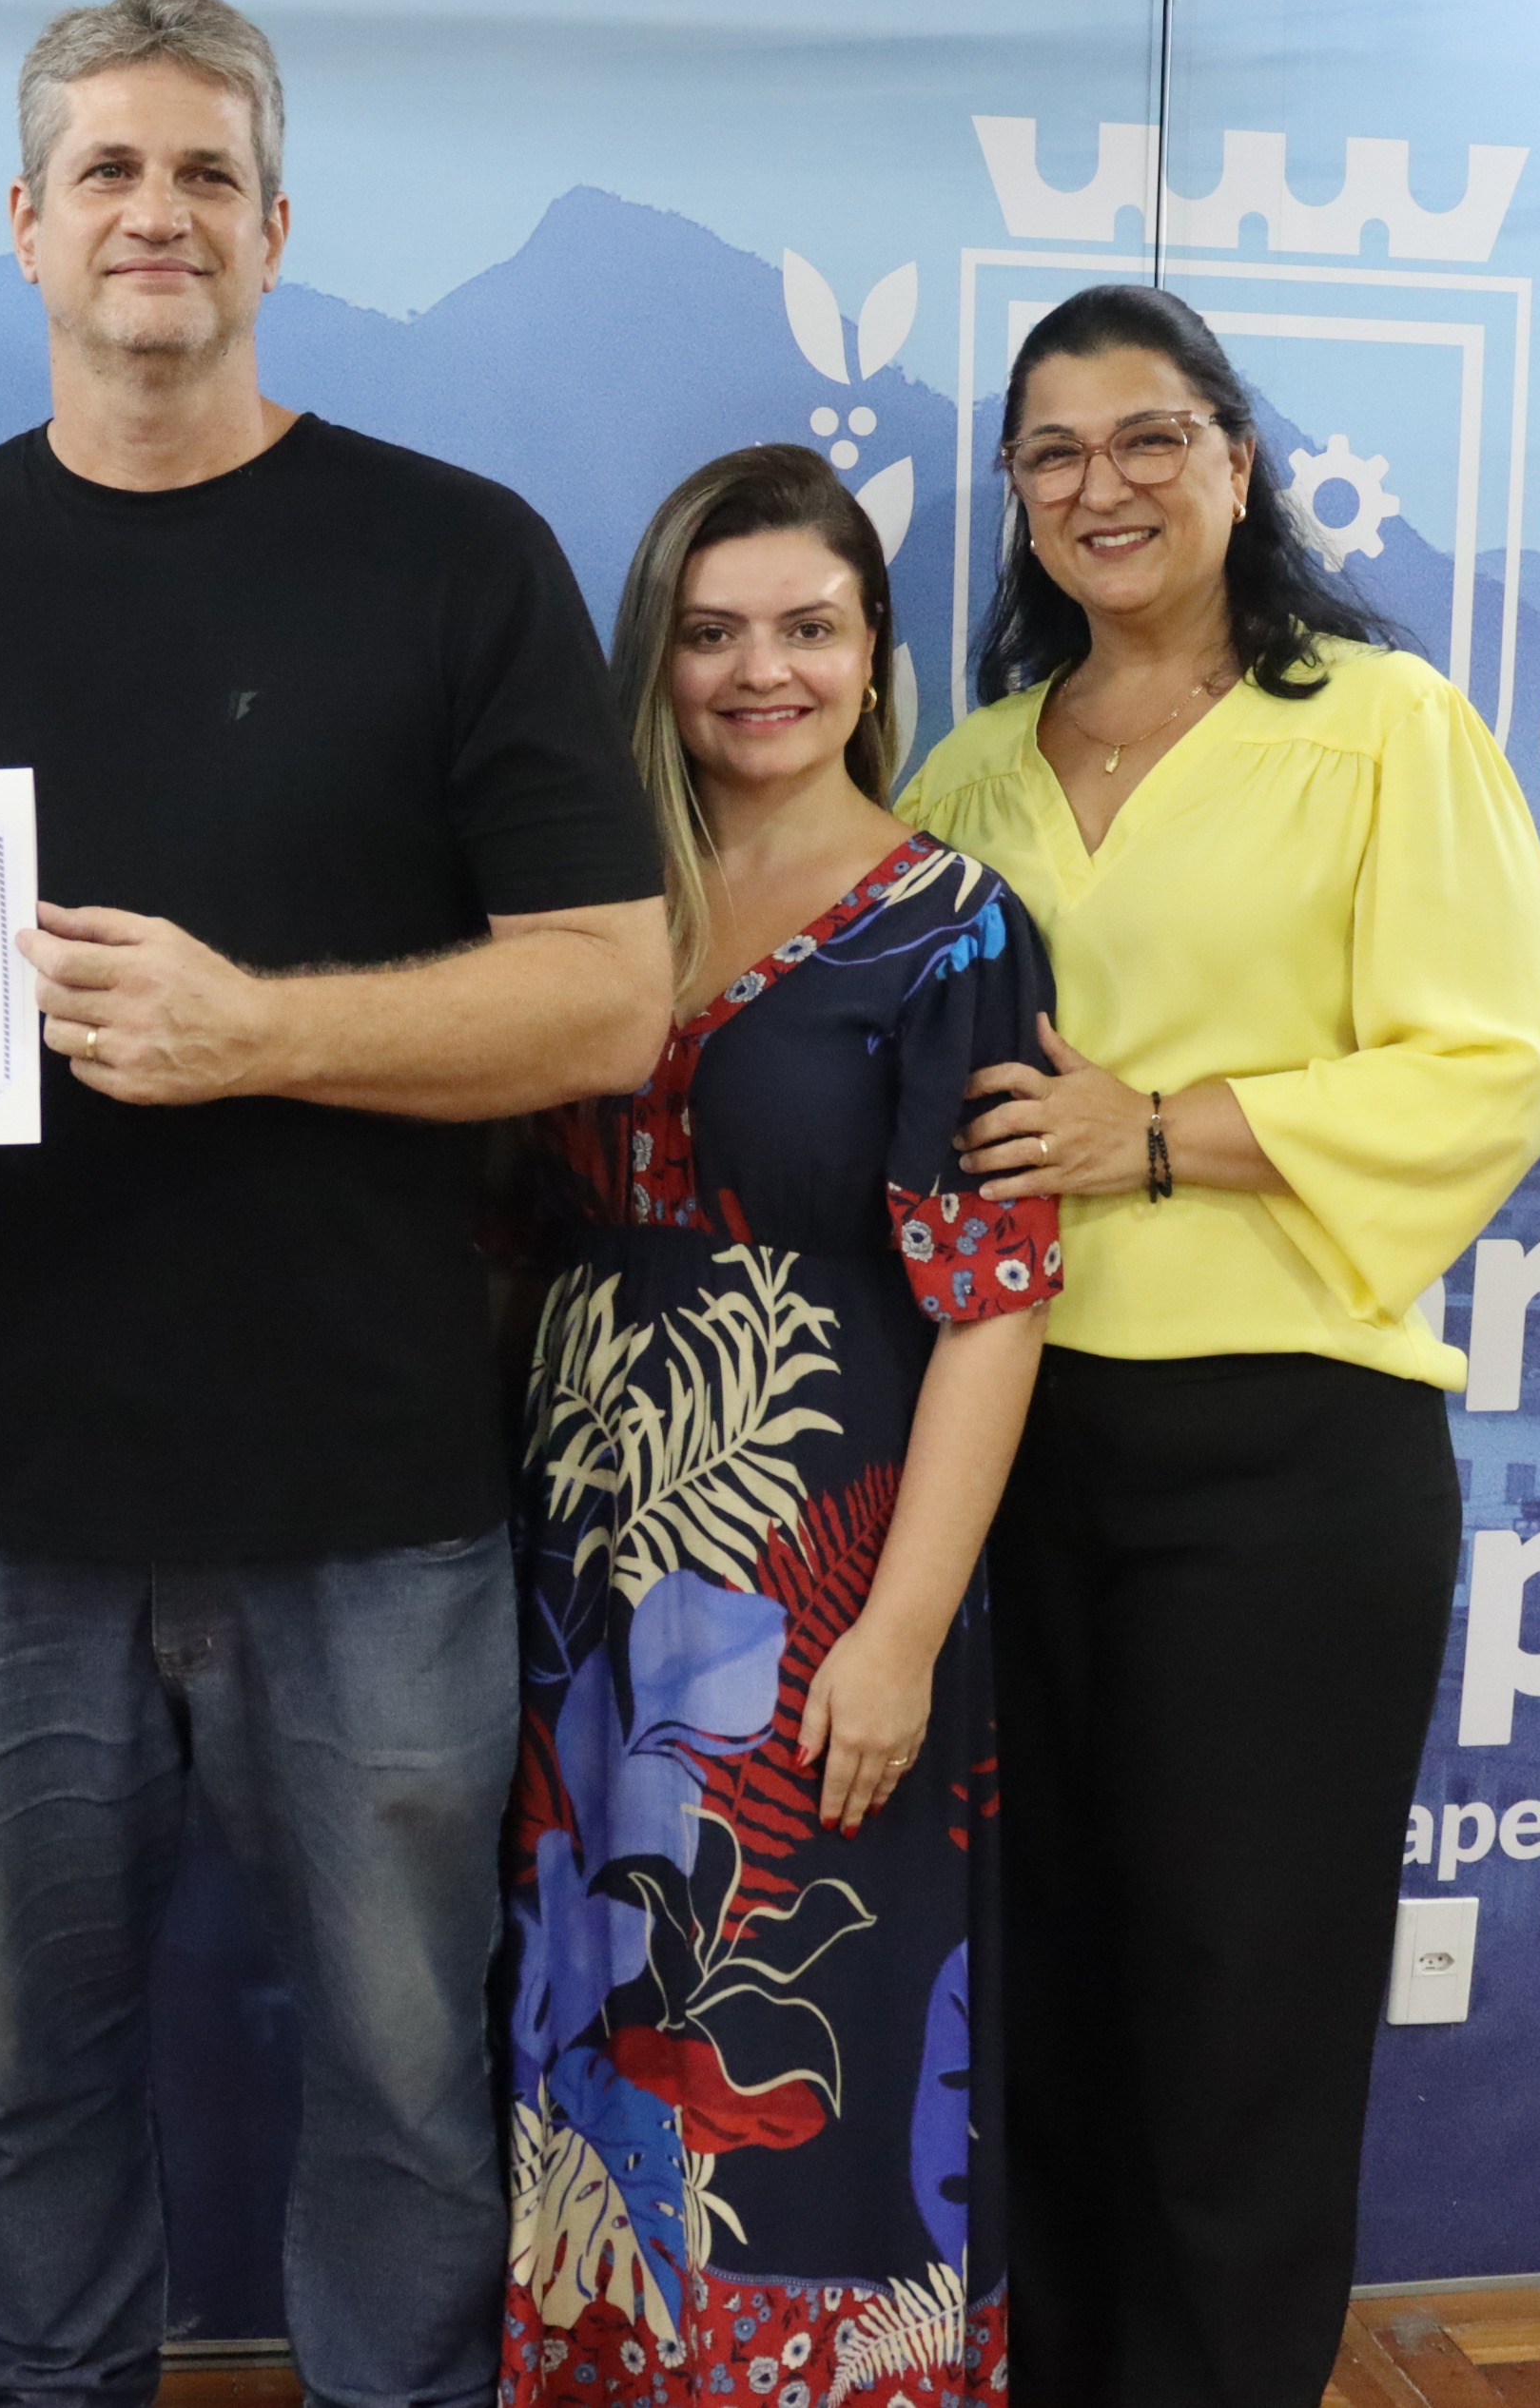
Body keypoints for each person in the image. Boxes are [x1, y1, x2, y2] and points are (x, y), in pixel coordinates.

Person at [0, 0, 670, 2408]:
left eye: (202, 175)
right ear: (23, 224)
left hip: (368, 1493)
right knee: (15, 2066)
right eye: (109, 171)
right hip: (6, 1496)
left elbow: (607, 996)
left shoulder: (456, 556)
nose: (154, 214)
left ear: (274, 226)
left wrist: (255, 1028)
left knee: (404, 2075)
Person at [898, 282, 1540, 2408]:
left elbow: (1492, 1063)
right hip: (1005, 1443)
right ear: (1015, 498)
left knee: (1241, 2016)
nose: (1100, 485)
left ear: (1238, 461)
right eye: (1052, 452)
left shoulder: (1380, 725)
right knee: (1039, 2003)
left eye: (1147, 438)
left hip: (1285, 1454)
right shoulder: (969, 768)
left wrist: (1162, 1135)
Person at [500, 445, 1054, 2403]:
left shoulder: (953, 928)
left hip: (815, 1581)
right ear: (652, 657)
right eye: (713, 632)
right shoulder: (588, 914)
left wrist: (899, 1630)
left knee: (807, 2033)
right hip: (578, 1581)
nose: (761, 673)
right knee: (599, 2022)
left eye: (808, 628)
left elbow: (996, 1301)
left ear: (874, 651)